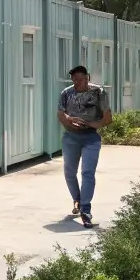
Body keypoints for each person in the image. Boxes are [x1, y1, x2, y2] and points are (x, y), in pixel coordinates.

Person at [57, 65, 112, 227]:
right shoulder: (67, 93)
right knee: (69, 172)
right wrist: (69, 120)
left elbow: (108, 118)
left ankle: (86, 209)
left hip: (90, 137)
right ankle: (77, 199)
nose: (77, 83)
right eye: (74, 80)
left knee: (87, 172)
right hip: (71, 137)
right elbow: (60, 114)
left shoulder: (98, 92)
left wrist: (90, 124)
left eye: (80, 79)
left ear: (87, 78)